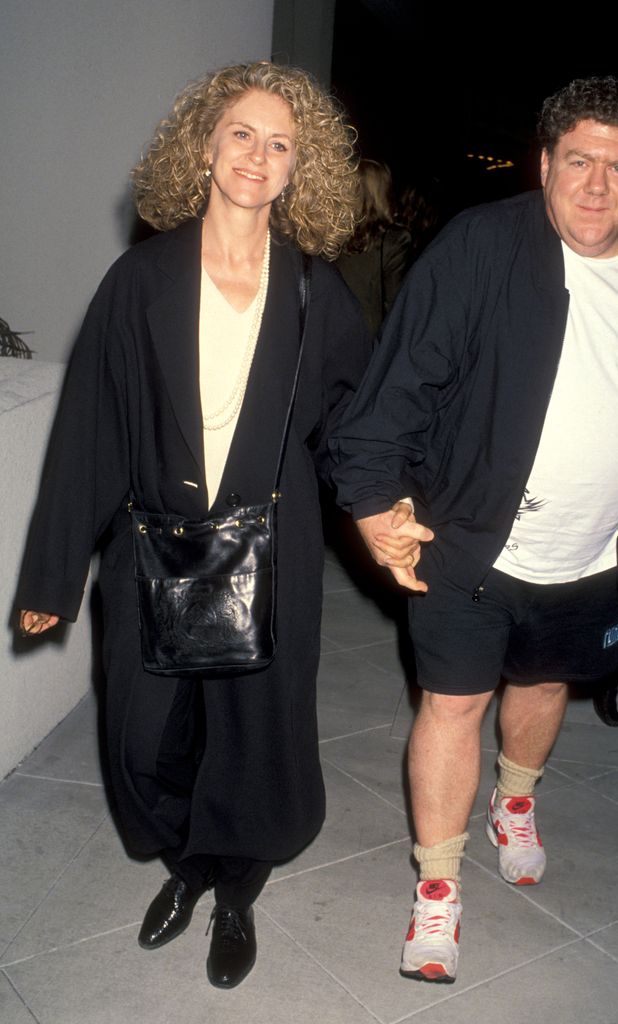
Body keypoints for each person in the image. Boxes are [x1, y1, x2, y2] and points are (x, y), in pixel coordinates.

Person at [331, 76, 618, 983]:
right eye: (577, 161)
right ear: (542, 163)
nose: (595, 186)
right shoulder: (480, 247)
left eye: (617, 168)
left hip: (594, 548)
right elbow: (397, 386)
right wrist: (370, 500)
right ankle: (436, 892)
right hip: (466, 537)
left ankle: (515, 802)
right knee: (454, 703)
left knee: (544, 682)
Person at [16, 61, 370, 989]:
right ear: (205, 146)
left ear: (302, 168)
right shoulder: (141, 279)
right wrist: (52, 578)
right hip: (152, 549)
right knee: (144, 737)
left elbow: (355, 425)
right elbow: (89, 428)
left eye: (280, 143)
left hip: (275, 548)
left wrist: (390, 511)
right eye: (242, 134)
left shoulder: (312, 290)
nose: (258, 156)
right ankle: (181, 861)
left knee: (252, 735)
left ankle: (233, 889)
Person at [336, 158, 412, 337]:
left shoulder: (329, 235)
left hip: (331, 334)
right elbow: (395, 304)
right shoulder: (395, 240)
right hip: (369, 342)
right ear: (383, 191)